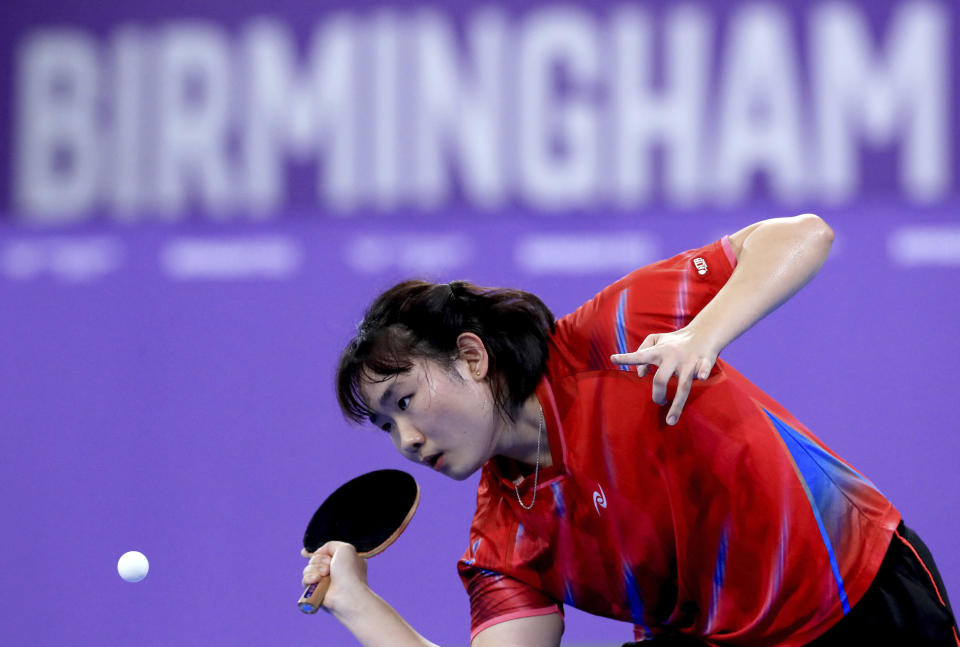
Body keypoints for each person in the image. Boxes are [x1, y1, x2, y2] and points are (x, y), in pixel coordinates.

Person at [302, 214, 958, 646]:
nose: (407, 439)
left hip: (857, 592)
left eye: (406, 399)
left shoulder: (609, 337)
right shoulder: (504, 541)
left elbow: (803, 235)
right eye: (387, 424)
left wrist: (703, 333)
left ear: (471, 356)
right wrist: (356, 604)